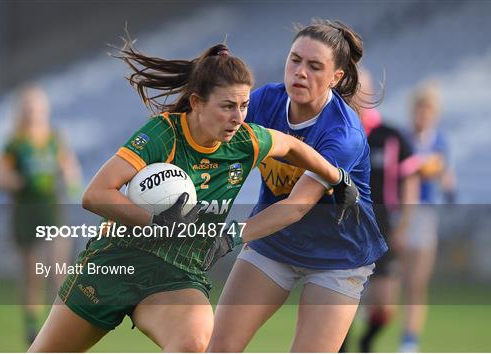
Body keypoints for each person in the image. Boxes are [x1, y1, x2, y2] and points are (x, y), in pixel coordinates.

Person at [28, 40, 360, 352]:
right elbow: (95, 195)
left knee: (195, 342)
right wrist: (156, 221)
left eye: (244, 106)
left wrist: (336, 178)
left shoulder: (245, 140)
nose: (238, 118)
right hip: (115, 265)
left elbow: (291, 146)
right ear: (198, 103)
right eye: (228, 106)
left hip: (177, 274)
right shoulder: (164, 133)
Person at [208, 20, 388, 353]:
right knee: (217, 347)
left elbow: (297, 205)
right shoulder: (265, 102)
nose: (300, 72)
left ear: (336, 77)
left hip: (339, 255)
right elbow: (217, 153)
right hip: (275, 244)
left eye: (314, 66)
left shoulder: (342, 133)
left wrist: (227, 236)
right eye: (295, 60)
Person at [339, 69, 420, 352]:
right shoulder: (337, 134)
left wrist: (404, 224)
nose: (353, 94)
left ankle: (367, 341)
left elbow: (411, 181)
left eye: (358, 88)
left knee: (384, 306)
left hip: (383, 226)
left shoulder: (392, 136)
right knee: (339, 297)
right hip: (344, 225)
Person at [0, 85, 82, 344]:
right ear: (23, 111)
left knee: (59, 269)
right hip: (26, 214)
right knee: (33, 274)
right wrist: (21, 181)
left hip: (53, 211)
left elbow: (70, 168)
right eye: (29, 107)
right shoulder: (16, 144)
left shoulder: (54, 138)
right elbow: (1, 177)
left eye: (37, 106)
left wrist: (70, 182)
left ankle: (58, 327)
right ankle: (33, 329)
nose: (34, 112)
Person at [399, 82, 455, 353]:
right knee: (386, 274)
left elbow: (441, 169)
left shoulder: (439, 140)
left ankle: (410, 338)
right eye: (420, 109)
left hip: (424, 212)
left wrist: (448, 186)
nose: (423, 115)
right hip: (399, 210)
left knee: (416, 280)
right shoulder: (402, 139)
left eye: (428, 110)